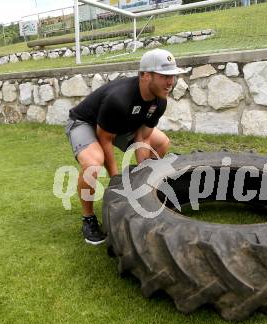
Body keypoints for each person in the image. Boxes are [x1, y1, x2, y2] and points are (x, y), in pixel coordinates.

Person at [65, 49, 185, 245]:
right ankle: (88, 218)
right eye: (164, 76)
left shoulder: (159, 101)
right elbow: (105, 139)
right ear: (146, 75)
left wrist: (143, 175)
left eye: (172, 76)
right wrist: (115, 179)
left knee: (161, 142)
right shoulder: (119, 98)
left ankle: (143, 187)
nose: (170, 82)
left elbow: (143, 138)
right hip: (84, 122)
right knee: (94, 164)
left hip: (120, 126)